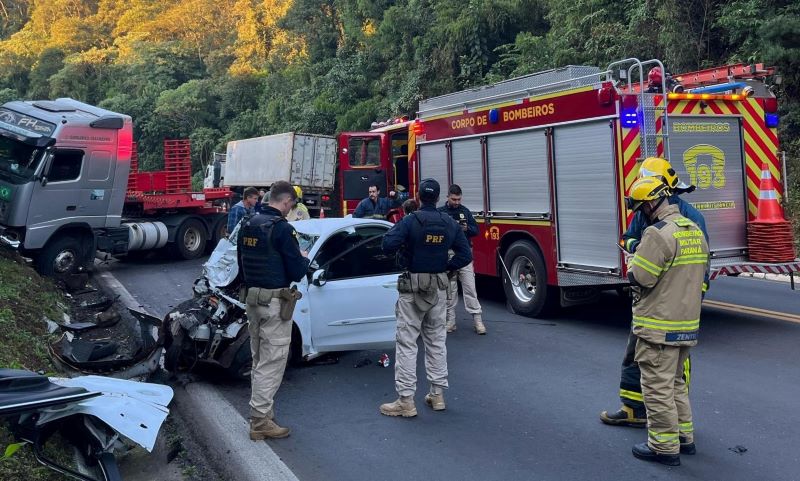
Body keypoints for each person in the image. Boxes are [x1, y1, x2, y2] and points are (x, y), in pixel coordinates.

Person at [601, 157, 709, 428]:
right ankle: (634, 408)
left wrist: (694, 299)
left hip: (671, 306)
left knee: (672, 371)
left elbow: (700, 267)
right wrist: (638, 246)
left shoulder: (691, 218)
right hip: (650, 305)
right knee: (635, 355)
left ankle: (669, 424)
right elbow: (627, 238)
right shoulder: (645, 213)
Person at [624, 176, 709, 466]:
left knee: (657, 388)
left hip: (659, 326)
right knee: (675, 385)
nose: (640, 214)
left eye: (639, 208)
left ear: (650, 203)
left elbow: (641, 278)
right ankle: (685, 438)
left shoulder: (657, 234)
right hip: (687, 324)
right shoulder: (693, 230)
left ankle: (663, 447)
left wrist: (631, 262)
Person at [380, 178, 472, 416]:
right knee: (436, 341)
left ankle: (406, 400)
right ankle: (437, 395)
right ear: (439, 198)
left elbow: (387, 244)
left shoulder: (411, 221)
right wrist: (448, 266)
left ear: (418, 197)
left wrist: (406, 245)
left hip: (412, 289)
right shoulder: (449, 223)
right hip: (439, 287)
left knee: (408, 343)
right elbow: (465, 254)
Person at [237, 181, 310, 440]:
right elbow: (298, 271)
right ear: (287, 201)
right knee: (273, 361)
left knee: (259, 359)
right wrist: (302, 256)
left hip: (252, 299)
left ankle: (263, 414)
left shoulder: (248, 223)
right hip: (274, 303)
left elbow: (240, 263)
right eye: (291, 204)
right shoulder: (282, 229)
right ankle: (260, 421)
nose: (291, 208)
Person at [438, 184, 484, 335]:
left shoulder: (465, 211)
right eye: (454, 199)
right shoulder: (441, 212)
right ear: (448, 197)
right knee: (450, 291)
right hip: (448, 254)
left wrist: (465, 228)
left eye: (459, 199)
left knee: (470, 287)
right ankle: (450, 322)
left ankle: (478, 321)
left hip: (464, 255)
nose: (457, 202)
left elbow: (476, 230)